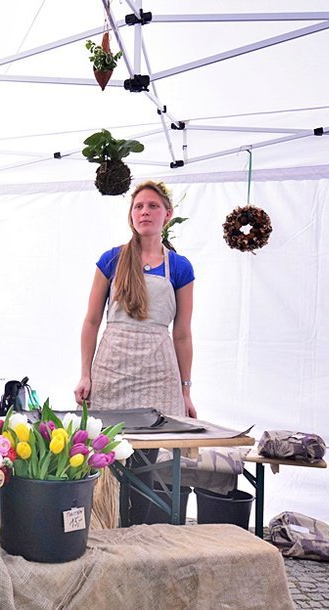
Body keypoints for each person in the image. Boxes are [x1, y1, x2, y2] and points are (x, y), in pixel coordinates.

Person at [73, 180, 195, 529]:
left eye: (153, 206)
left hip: (158, 371)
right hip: (113, 367)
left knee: (147, 461)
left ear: (167, 215)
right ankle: (104, 530)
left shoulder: (180, 267)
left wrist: (185, 390)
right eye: (139, 206)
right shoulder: (111, 259)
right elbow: (92, 320)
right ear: (131, 215)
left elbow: (182, 333)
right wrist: (85, 373)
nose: (145, 212)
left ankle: (138, 536)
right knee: (105, 457)